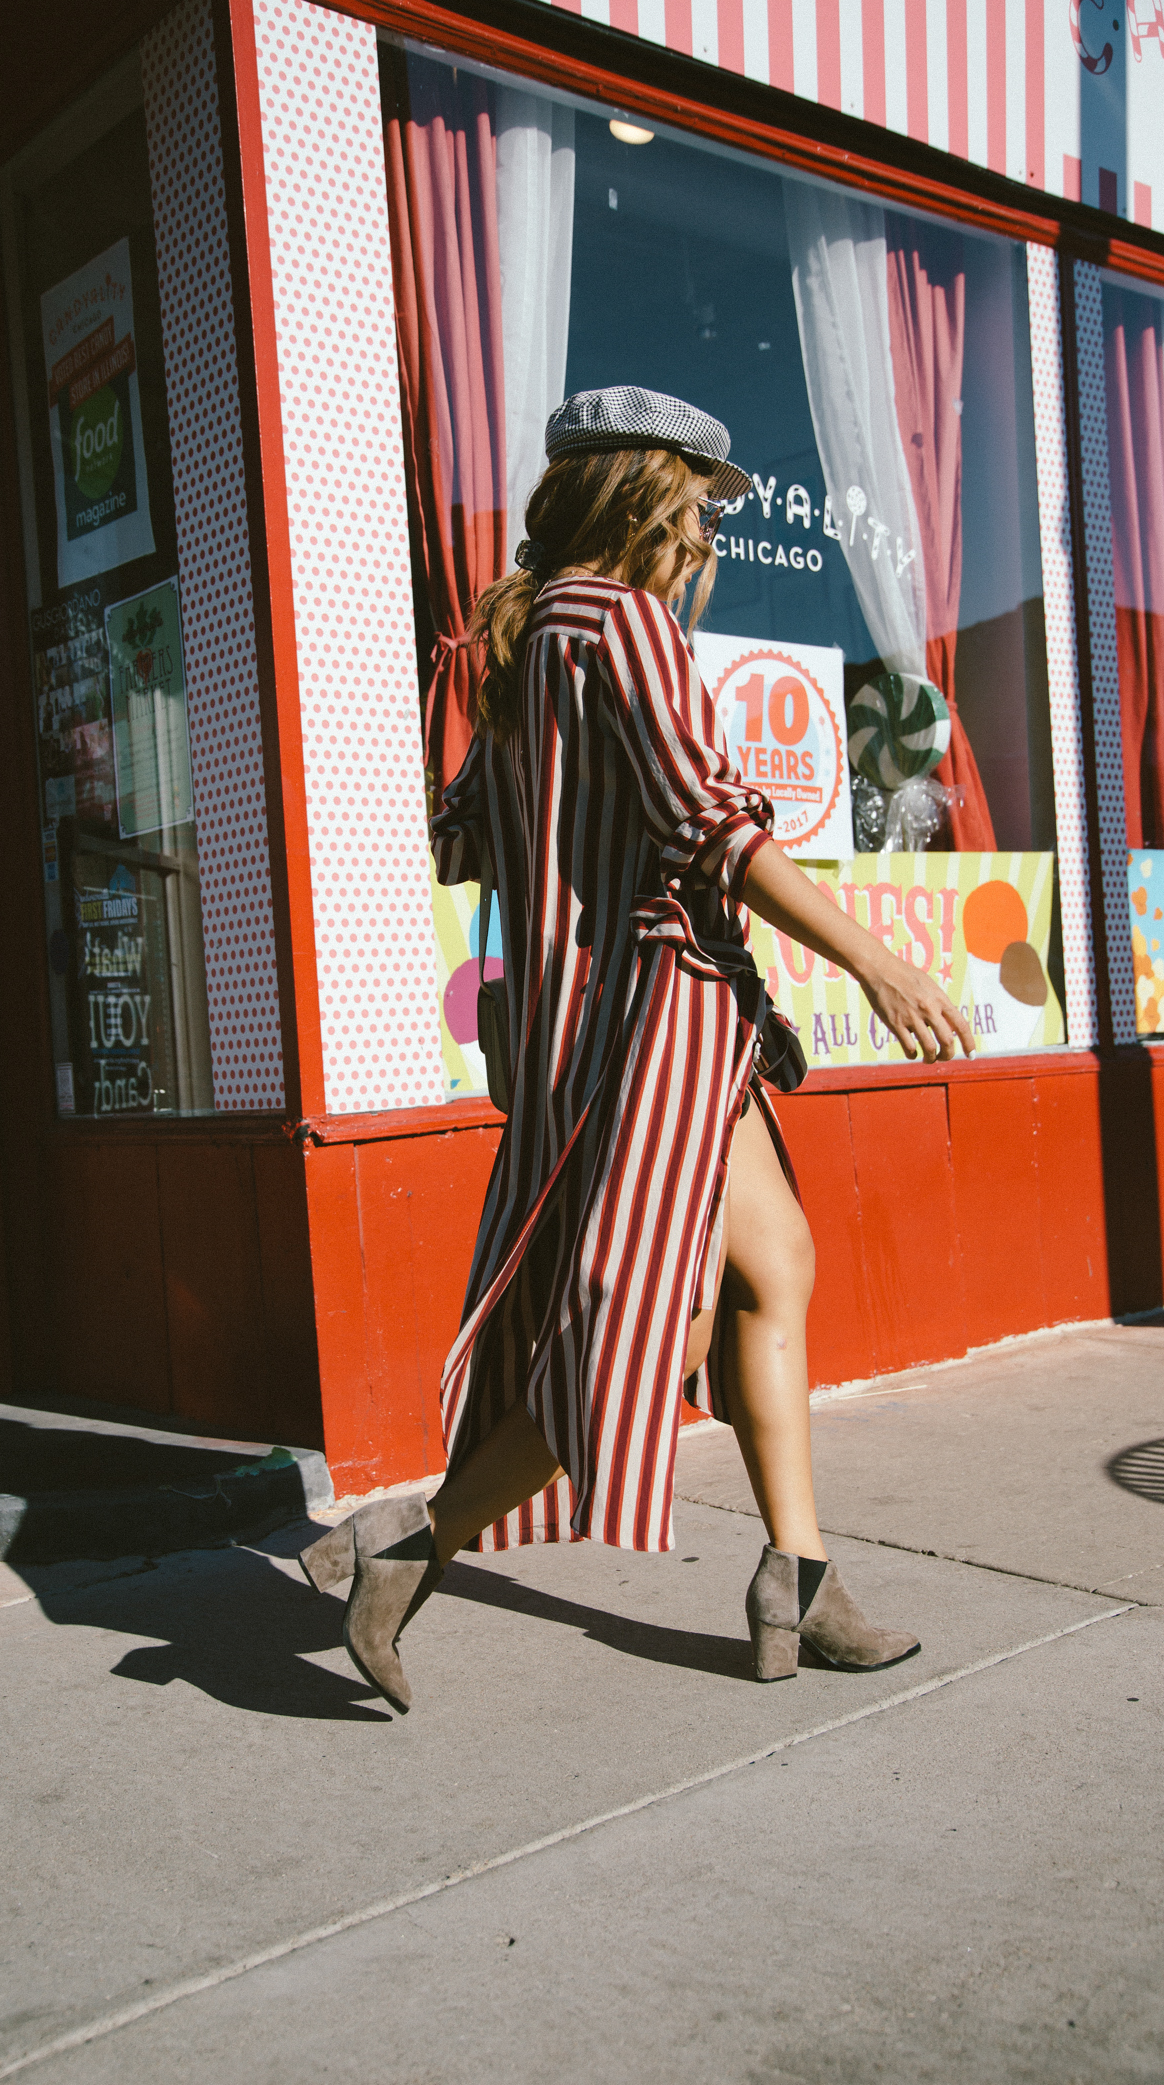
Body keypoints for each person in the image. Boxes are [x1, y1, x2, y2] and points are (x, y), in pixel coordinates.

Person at [301, 386, 974, 1712]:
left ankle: (799, 1573)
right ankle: (405, 1543)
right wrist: (881, 960)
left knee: (773, 1264)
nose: (706, 543)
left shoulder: (523, 641)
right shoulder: (621, 626)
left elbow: (462, 838)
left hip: (598, 1022)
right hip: (664, 1011)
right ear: (643, 502)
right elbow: (715, 831)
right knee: (636, 1335)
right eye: (696, 511)